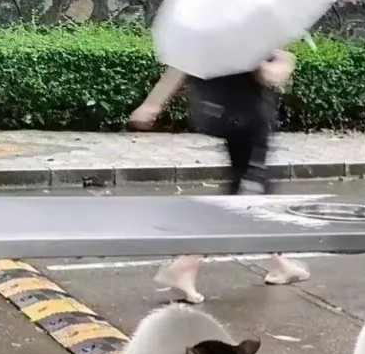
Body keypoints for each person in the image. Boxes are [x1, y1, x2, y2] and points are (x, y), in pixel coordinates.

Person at [129, 51, 310, 304]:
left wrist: (153, 103)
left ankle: (281, 263)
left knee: (255, 191)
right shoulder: (250, 28)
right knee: (246, 195)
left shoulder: (214, 30)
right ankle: (185, 264)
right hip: (248, 118)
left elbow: (182, 64)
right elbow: (271, 73)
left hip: (224, 114)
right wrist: (279, 63)